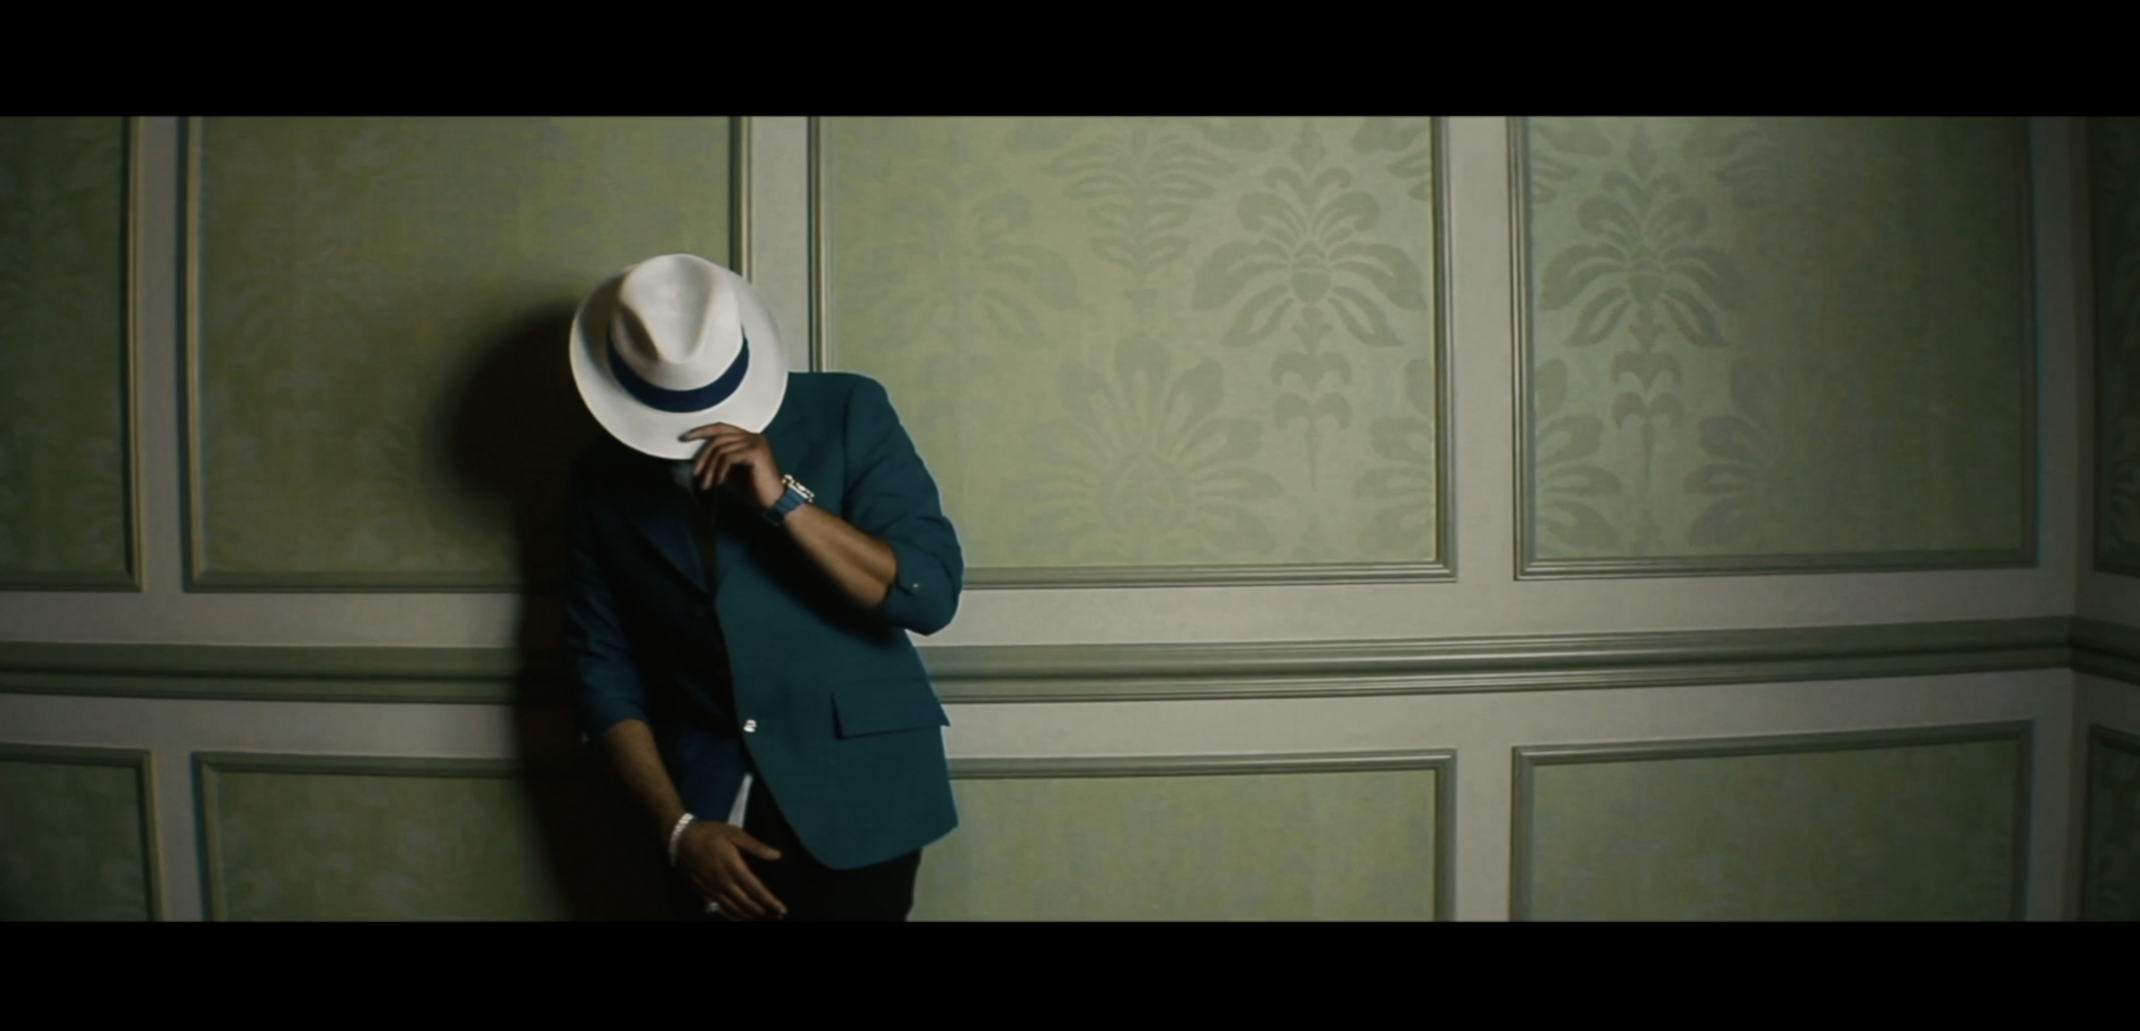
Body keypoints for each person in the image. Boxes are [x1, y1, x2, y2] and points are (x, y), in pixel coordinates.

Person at [561, 253, 962, 921]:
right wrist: (677, 828)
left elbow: (930, 596)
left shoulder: (848, 410)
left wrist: (783, 501)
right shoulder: (601, 478)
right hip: (702, 808)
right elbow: (601, 666)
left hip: (861, 797)